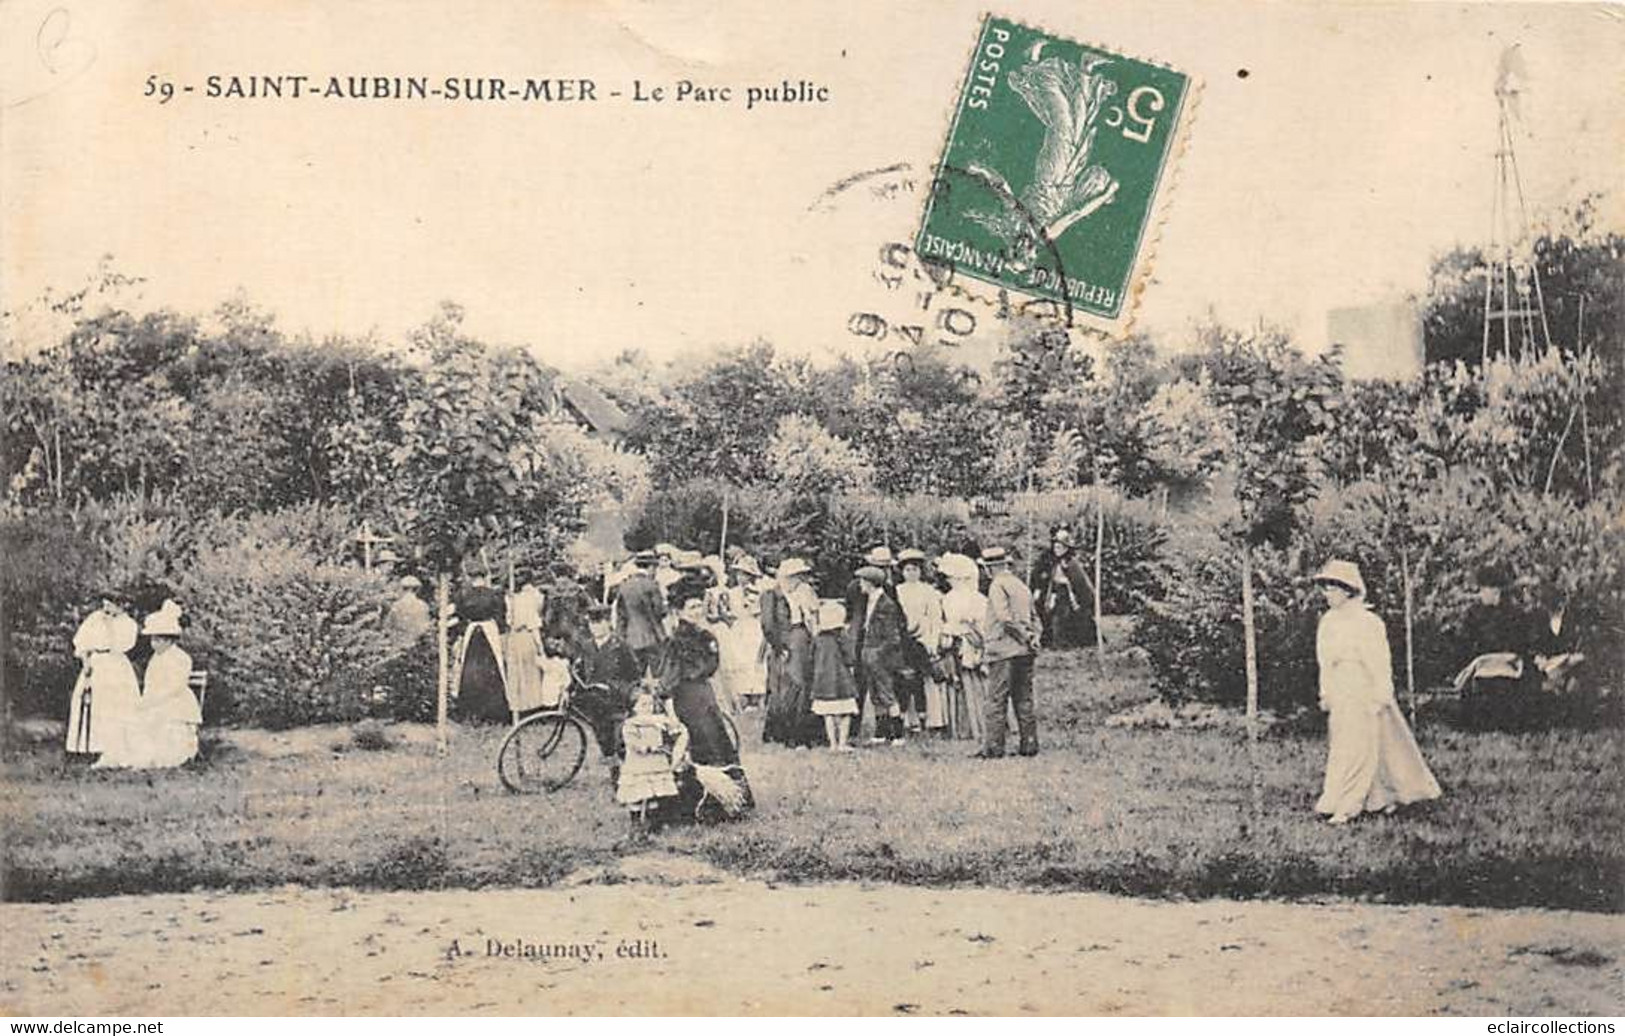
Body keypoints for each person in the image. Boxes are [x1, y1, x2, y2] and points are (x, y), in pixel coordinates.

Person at [1312, 559, 1442, 824]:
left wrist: (1381, 694)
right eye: (1325, 588)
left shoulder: (1368, 622)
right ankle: (1377, 796)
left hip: (1363, 687)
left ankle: (1349, 805)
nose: (1327, 593)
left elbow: (1379, 661)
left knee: (1361, 744)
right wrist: (1326, 692)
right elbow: (1324, 661)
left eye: (1332, 587)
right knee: (1348, 743)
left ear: (1348, 590)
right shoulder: (1328, 622)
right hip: (1341, 687)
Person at [659, 577, 754, 820]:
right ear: (679, 611)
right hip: (686, 700)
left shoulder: (707, 636)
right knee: (696, 749)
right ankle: (699, 805)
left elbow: (716, 671)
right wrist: (671, 714)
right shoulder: (675, 642)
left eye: (699, 605)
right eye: (691, 607)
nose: (696, 611)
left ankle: (729, 801)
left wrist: (726, 699)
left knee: (719, 746)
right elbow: (668, 682)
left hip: (705, 697)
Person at [1454, 562, 1551, 731]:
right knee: (1480, 677)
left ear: (1495, 591)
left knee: (1513, 678)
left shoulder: (1514, 614)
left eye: (1484, 590)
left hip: (1510, 664)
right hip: (1482, 663)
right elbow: (1465, 644)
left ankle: (1510, 722)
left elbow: (1523, 643)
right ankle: (1480, 722)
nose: (1481, 594)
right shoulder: (1473, 614)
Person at [977, 546, 1041, 759]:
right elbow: (1035, 617)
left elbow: (1004, 618)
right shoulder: (1021, 585)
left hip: (1003, 651)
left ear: (990, 568)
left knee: (996, 699)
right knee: (1024, 698)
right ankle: (1029, 744)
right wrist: (1033, 638)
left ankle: (994, 747)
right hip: (1025, 652)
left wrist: (1023, 636)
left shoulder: (997, 585)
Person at [65, 592, 142, 765]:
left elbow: (121, 645)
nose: (106, 609)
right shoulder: (95, 618)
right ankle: (85, 748)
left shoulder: (128, 624)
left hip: (115, 665)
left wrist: (110, 626)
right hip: (95, 662)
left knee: (113, 705)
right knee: (88, 701)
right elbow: (81, 641)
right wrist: (85, 661)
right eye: (104, 604)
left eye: (110, 605)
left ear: (121, 605)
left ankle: (112, 748)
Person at [128, 600, 201, 769]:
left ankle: (166, 756)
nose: (155, 644)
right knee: (138, 717)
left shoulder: (181, 658)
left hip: (175, 699)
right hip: (156, 698)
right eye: (153, 640)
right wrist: (147, 700)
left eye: (159, 640)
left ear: (170, 640)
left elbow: (176, 686)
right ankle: (141, 755)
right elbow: (151, 684)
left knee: (164, 720)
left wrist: (156, 700)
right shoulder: (156, 659)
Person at [763, 558, 822, 748]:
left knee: (801, 685)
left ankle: (802, 732)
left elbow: (812, 615)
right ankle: (791, 734)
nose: (799, 580)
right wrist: (780, 646)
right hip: (788, 640)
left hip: (801, 637)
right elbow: (768, 625)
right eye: (795, 576)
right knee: (791, 686)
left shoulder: (801, 592)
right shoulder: (772, 595)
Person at [616, 690, 690, 829]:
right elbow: (632, 744)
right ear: (634, 707)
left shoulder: (659, 721)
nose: (648, 708)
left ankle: (654, 821)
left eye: (650, 704)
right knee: (636, 793)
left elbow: (673, 732)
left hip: (657, 764)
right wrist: (649, 747)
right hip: (639, 764)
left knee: (654, 792)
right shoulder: (631, 724)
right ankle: (636, 822)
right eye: (643, 704)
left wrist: (677, 732)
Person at [894, 548, 946, 736]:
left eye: (915, 569)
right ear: (902, 572)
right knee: (905, 680)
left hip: (923, 639)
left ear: (920, 571)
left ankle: (932, 721)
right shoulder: (897, 591)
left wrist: (932, 641)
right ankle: (909, 721)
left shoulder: (928, 591)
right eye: (907, 570)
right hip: (903, 640)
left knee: (926, 680)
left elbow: (935, 618)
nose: (911, 573)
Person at [854, 565, 908, 745]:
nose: (860, 584)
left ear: (870, 583)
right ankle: (882, 732)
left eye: (863, 581)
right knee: (875, 694)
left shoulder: (886, 604)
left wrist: (878, 653)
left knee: (887, 694)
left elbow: (893, 637)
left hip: (881, 655)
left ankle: (898, 734)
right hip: (869, 651)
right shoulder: (869, 601)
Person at [938, 552, 990, 742]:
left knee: (975, 686)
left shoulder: (978, 599)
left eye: (954, 577)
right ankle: (960, 728)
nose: (951, 580)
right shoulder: (948, 598)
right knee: (956, 685)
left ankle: (980, 725)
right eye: (949, 577)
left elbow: (982, 627)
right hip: (953, 646)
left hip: (971, 645)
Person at [450, 575, 510, 724]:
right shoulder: (494, 594)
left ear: (471, 578)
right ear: (485, 577)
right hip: (489, 630)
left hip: (472, 631)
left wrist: (462, 631)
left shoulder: (463, 595)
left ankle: (471, 711)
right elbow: (501, 615)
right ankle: (494, 712)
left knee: (471, 668)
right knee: (492, 668)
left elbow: (460, 616)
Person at [1031, 525, 1097, 650]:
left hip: (1069, 599)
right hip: (1053, 596)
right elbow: (1042, 578)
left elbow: (1081, 586)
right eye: (1056, 547)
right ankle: (1048, 639)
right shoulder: (1051, 561)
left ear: (1066, 548)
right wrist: (1039, 589)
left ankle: (1062, 642)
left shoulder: (1072, 564)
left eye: (1060, 547)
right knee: (1045, 613)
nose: (1057, 549)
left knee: (1062, 618)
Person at [810, 599, 859, 752]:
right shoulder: (842, 636)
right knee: (845, 712)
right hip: (841, 679)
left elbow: (811, 657)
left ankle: (832, 743)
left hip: (823, 680)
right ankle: (842, 743)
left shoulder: (818, 638)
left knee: (828, 713)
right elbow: (849, 656)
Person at [612, 551, 668, 676]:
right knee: (658, 674)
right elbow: (660, 611)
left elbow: (621, 615)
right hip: (653, 636)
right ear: (651, 567)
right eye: (655, 568)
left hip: (631, 638)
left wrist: (620, 637)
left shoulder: (624, 586)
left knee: (636, 675)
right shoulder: (652, 585)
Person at [503, 582, 550, 715]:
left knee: (516, 673)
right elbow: (534, 626)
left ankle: (517, 706)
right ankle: (532, 707)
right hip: (526, 637)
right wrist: (541, 648)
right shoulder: (529, 600)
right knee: (530, 672)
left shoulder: (510, 599)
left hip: (513, 638)